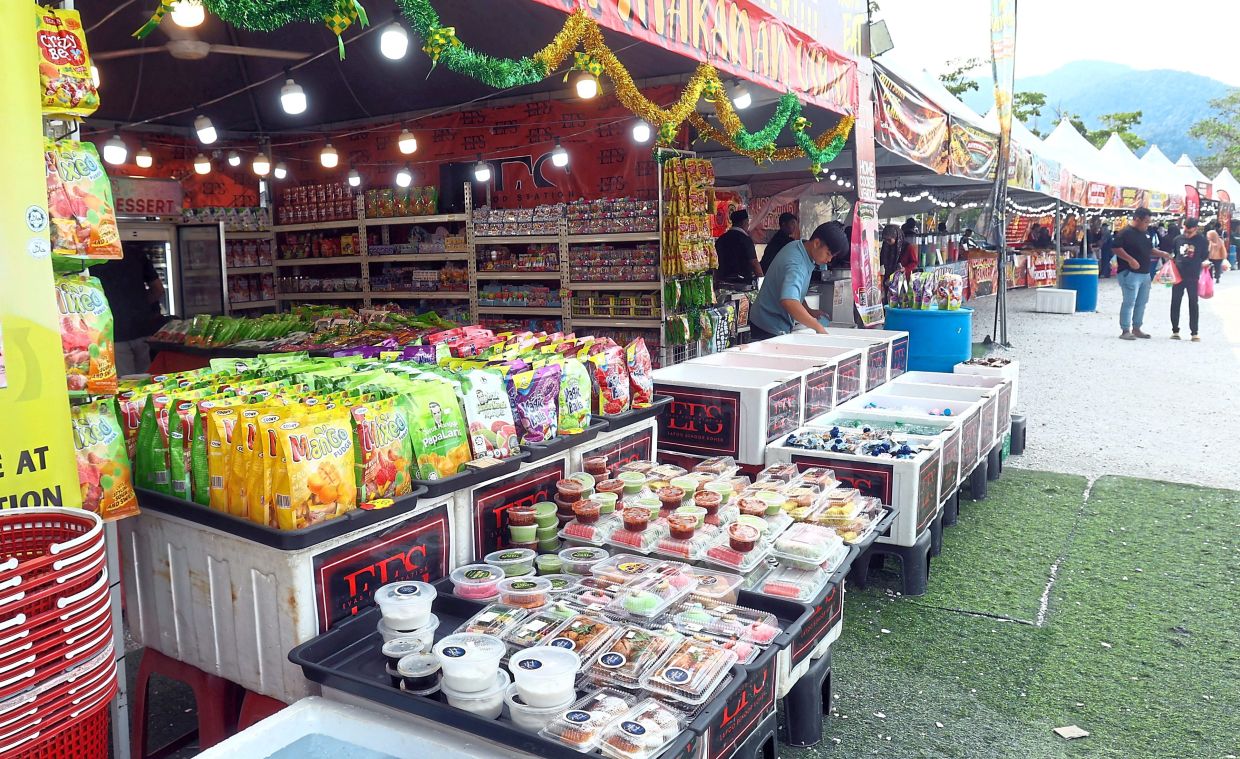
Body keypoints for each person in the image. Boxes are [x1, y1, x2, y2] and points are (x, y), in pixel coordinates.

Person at [749, 222, 850, 340]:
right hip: (768, 325)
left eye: (832, 256)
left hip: (767, 319)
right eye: (828, 254)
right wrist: (817, 326)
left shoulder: (799, 247)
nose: (829, 260)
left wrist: (809, 311)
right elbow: (789, 300)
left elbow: (794, 292)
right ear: (816, 243)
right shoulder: (797, 263)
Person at [91, 246, 166, 376]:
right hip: (143, 330)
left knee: (127, 384)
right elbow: (158, 289)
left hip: (114, 333)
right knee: (147, 380)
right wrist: (141, 306)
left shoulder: (91, 258)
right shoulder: (135, 252)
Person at [1112, 208, 1168, 341]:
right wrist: (1130, 260)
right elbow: (1115, 248)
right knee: (1129, 302)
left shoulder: (1145, 233)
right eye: (1145, 222)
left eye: (1148, 222)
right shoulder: (1125, 233)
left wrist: (1162, 253)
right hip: (1130, 273)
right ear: (1137, 219)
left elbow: (1149, 249)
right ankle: (1125, 329)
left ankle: (1137, 328)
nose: (1147, 225)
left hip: (1145, 273)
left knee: (1142, 302)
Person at [1170, 219, 1208, 341]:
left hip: (1193, 276)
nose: (1186, 234)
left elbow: (1203, 256)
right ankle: (1175, 330)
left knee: (1193, 303)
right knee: (1175, 302)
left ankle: (1194, 332)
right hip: (1178, 276)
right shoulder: (1177, 239)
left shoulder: (1202, 241)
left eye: (1189, 232)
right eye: (1185, 231)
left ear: (1196, 229)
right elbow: (1174, 255)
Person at [714, 209, 761, 284]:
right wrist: (761, 279)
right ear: (743, 223)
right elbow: (754, 262)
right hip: (742, 282)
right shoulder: (745, 239)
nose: (748, 225)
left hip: (724, 281)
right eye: (747, 222)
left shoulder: (721, 239)